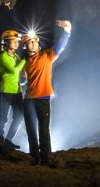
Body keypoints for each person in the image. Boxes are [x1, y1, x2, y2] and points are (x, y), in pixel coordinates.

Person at [21, 19, 72, 166]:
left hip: (43, 98)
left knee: (43, 130)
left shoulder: (46, 55)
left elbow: (60, 46)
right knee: (31, 130)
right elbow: (23, 80)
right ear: (25, 45)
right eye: (30, 42)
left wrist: (67, 29)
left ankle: (46, 157)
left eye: (35, 41)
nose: (34, 43)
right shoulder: (25, 62)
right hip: (29, 99)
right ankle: (34, 157)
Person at [0, 29, 26, 155]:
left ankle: (8, 140)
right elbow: (15, 70)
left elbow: (22, 70)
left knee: (19, 116)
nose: (16, 43)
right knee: (3, 118)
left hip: (17, 91)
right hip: (5, 91)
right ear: (6, 42)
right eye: (13, 41)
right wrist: (25, 58)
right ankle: (1, 143)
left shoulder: (15, 56)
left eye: (17, 41)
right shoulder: (3, 56)